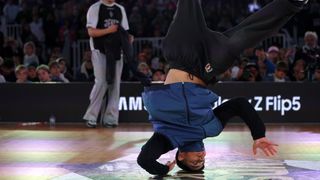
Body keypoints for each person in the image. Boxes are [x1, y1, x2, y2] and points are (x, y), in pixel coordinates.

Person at [137, 0, 308, 176]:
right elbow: (239, 104)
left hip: (179, 53)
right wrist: (258, 134)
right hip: (209, 65)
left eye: (195, 163)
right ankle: (295, 2)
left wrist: (164, 169)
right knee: (249, 33)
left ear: (181, 156)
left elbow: (144, 160)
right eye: (203, 161)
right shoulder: (212, 128)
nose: (201, 159)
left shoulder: (165, 138)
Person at [83, 0, 131, 128]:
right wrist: (109, 30)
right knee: (101, 82)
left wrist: (128, 39)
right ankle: (91, 116)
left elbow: (125, 31)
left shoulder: (120, 9)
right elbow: (91, 32)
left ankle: (110, 118)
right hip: (100, 50)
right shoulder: (95, 8)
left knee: (115, 84)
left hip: (116, 51)